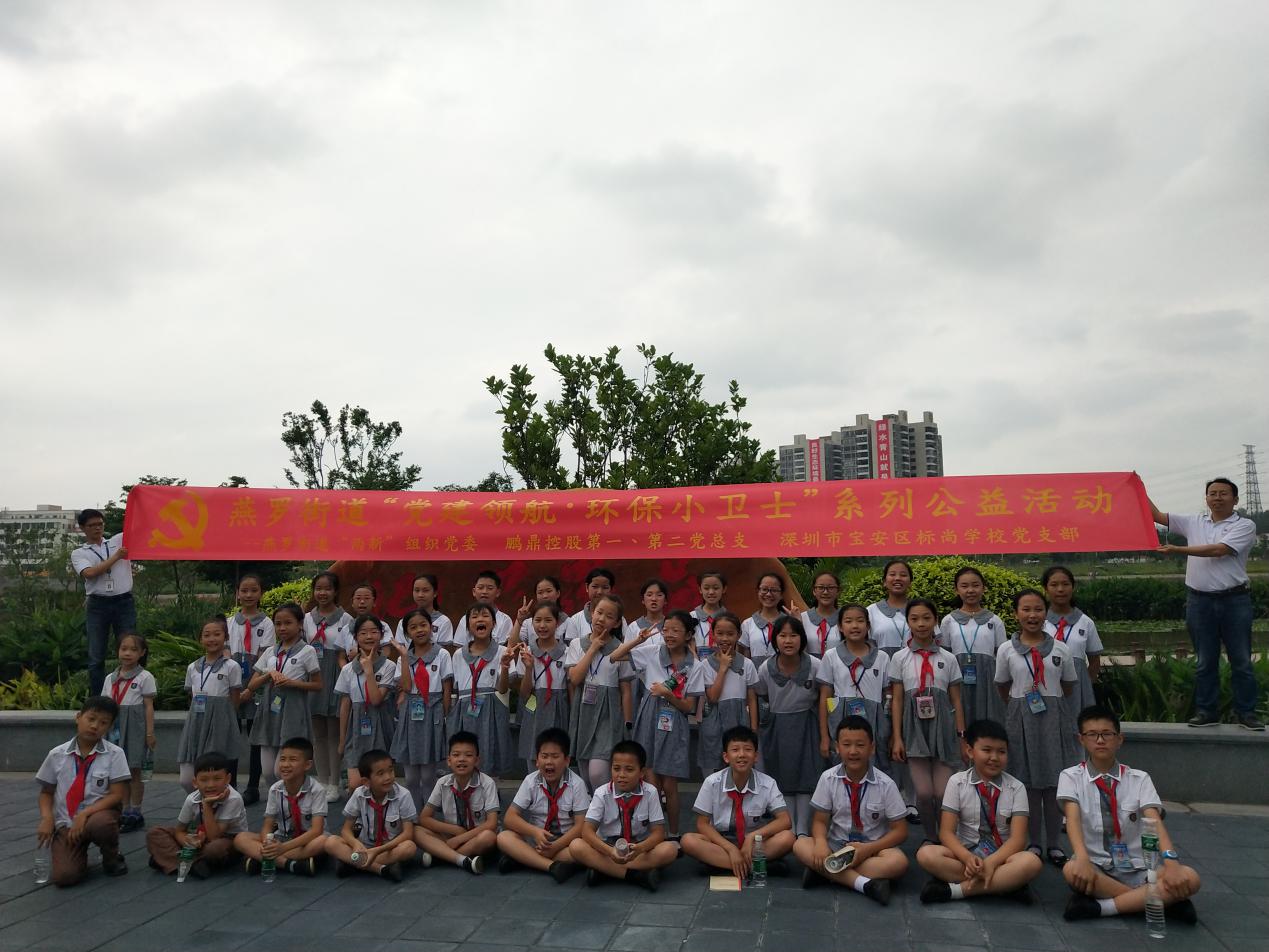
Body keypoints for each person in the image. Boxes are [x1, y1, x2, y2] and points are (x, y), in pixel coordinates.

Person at [1060, 705, 1201, 923]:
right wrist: (1083, 858)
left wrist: (1171, 863)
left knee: (1190, 878)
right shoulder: (1070, 776)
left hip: (1139, 867)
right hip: (1096, 865)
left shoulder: (1139, 778)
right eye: (1092, 734)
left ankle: (1103, 907)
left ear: (1120, 739)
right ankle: (1155, 900)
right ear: (1081, 740)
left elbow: (1153, 820)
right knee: (1071, 869)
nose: (1100, 740)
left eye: (1107, 734)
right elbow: (1072, 818)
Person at [1148, 478, 1263, 730]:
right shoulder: (1194, 521)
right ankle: (1206, 712)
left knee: (1241, 661)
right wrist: (1136, 487)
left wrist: (1177, 550)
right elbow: (1156, 515)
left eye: (1223, 493)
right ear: (1207, 498)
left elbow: (1219, 550)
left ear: (1235, 499)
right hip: (1199, 601)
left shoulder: (1245, 525)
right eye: (1213, 493)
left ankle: (1246, 713)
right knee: (1204, 661)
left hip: (1234, 601)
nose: (1217, 498)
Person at [995, 589, 1078, 866]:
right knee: (1027, 783)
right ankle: (1032, 842)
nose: (1032, 615)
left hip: (1054, 719)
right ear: (1016, 614)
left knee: (1054, 783)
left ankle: (1054, 844)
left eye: (1038, 609)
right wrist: (1021, 705)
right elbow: (1002, 686)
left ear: (1046, 613)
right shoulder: (1006, 650)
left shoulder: (1061, 649)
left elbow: (1068, 685)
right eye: (1026, 609)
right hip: (1020, 718)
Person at [917, 718, 1042, 903]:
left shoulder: (1017, 788)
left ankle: (957, 891)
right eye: (987, 750)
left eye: (1001, 752)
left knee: (1031, 862)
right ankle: (1004, 884)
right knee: (926, 854)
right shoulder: (957, 782)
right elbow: (946, 833)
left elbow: (1018, 840)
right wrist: (967, 857)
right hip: (966, 854)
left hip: (1002, 858)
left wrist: (991, 862)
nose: (994, 758)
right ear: (970, 751)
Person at [794, 715, 908, 903]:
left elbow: (901, 831)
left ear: (872, 748)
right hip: (836, 845)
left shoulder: (886, 784)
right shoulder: (828, 778)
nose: (853, 751)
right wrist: (821, 843)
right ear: (837, 747)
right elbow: (820, 821)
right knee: (800, 844)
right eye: (846, 745)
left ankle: (824, 872)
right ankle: (864, 884)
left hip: (872, 848)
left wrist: (868, 849)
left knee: (898, 862)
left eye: (860, 745)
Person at [610, 609, 697, 838]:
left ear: (688, 635)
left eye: (676, 630)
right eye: (666, 630)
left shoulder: (694, 665)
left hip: (674, 720)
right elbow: (615, 656)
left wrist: (668, 694)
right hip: (649, 715)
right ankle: (654, 834)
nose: (669, 634)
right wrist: (637, 640)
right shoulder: (652, 652)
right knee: (651, 781)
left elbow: (689, 707)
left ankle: (674, 834)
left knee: (670, 783)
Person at [890, 598, 966, 842]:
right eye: (914, 619)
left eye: (926, 618)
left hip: (943, 730)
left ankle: (947, 838)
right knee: (923, 793)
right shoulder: (900, 658)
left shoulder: (948, 658)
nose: (921, 624)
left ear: (935, 621)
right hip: (914, 730)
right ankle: (931, 837)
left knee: (943, 793)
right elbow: (897, 701)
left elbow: (957, 701)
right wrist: (897, 738)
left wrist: (961, 736)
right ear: (908, 622)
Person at [35, 696, 130, 885]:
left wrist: (84, 814)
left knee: (101, 824)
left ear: (110, 727)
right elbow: (46, 792)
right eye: (91, 719)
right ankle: (77, 855)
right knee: (65, 877)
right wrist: (47, 818)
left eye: (103, 723)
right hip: (67, 822)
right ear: (78, 717)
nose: (95, 726)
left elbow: (117, 795)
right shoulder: (57, 755)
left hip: (97, 815)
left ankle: (111, 856)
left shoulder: (114, 754)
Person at [681, 725, 795, 879]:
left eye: (748, 749)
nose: (742, 755)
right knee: (688, 841)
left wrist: (752, 837)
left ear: (756, 756)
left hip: (754, 844)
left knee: (788, 837)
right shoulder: (712, 782)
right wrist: (730, 848)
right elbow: (702, 824)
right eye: (735, 750)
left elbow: (785, 820)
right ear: (726, 757)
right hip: (721, 843)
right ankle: (755, 866)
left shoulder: (768, 783)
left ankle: (721, 865)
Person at [571, 740, 679, 891]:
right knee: (576, 846)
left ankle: (604, 870)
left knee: (670, 850)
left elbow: (659, 833)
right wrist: (610, 852)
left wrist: (641, 848)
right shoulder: (602, 793)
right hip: (607, 848)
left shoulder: (651, 792)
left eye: (629, 769)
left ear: (641, 772)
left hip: (638, 848)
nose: (621, 775)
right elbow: (587, 831)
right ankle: (635, 875)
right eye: (616, 769)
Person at [755, 615, 824, 837]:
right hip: (777, 726)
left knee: (806, 774)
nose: (788, 640)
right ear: (775, 639)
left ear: (802, 639)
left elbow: (823, 695)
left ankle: (802, 827)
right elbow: (762, 695)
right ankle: (789, 825)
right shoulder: (766, 668)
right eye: (782, 635)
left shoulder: (815, 665)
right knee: (782, 775)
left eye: (793, 635)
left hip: (807, 724)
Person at [497, 727, 590, 881]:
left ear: (566, 760)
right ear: (537, 760)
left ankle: (525, 859)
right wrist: (534, 832)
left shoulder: (577, 784)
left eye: (555, 756)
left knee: (580, 848)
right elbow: (510, 818)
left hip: (564, 843)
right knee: (503, 837)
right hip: (536, 841)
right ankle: (552, 866)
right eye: (544, 756)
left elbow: (581, 826)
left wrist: (555, 846)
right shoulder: (531, 781)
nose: (549, 762)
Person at [246, 603, 322, 785]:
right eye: (278, 623)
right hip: (269, 710)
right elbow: (251, 685)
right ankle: (277, 798)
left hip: (293, 710)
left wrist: (292, 683)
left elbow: (318, 684)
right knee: (268, 772)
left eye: (288, 623)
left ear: (299, 624)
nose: (282, 628)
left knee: (280, 770)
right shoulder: (270, 652)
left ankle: (294, 795)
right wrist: (269, 674)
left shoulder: (307, 651)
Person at [566, 593, 635, 791]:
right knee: (585, 773)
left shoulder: (620, 649)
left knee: (598, 772)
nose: (602, 619)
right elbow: (575, 679)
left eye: (609, 616)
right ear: (591, 613)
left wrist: (627, 723)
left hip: (609, 713)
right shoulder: (577, 644)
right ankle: (593, 808)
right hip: (583, 710)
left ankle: (607, 804)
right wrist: (593, 648)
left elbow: (626, 690)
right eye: (599, 612)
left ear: (616, 623)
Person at [234, 737, 329, 876]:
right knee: (240, 838)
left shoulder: (317, 790)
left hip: (306, 839)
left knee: (324, 841)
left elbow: (316, 830)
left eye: (293, 760)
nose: (285, 764)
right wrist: (268, 843)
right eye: (283, 759)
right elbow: (267, 825)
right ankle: (290, 864)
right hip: (282, 837)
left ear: (307, 765)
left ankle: (263, 859)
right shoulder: (275, 789)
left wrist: (282, 848)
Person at [146, 751, 246, 878]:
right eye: (204, 780)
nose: (211, 785)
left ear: (228, 779)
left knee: (215, 849)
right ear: (195, 782)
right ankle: (193, 864)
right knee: (155, 833)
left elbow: (214, 836)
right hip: (200, 839)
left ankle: (169, 860)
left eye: (217, 779)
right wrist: (188, 841)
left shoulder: (233, 799)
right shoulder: (192, 799)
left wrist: (207, 805)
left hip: (227, 840)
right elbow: (179, 831)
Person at [391, 608, 454, 807]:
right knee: (410, 777)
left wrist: (445, 716)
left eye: (423, 625)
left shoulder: (442, 654)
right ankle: (413, 813)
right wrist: (404, 657)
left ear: (431, 627)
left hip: (433, 710)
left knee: (428, 775)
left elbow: (447, 688)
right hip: (410, 711)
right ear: (407, 633)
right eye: (413, 627)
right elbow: (406, 687)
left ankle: (428, 812)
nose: (419, 630)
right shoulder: (403, 657)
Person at [325, 749, 419, 880]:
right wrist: (355, 844)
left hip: (388, 848)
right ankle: (381, 869)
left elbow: (408, 833)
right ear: (366, 781)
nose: (388, 777)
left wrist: (377, 851)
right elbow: (346, 830)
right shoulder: (359, 794)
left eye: (391, 770)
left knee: (409, 847)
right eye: (380, 773)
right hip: (364, 845)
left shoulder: (403, 795)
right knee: (330, 842)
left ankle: (353, 863)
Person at [415, 731, 499, 875]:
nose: (461, 759)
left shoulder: (487, 783)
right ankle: (461, 859)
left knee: (488, 837)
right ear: (449, 761)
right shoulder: (443, 783)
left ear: (477, 760)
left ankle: (442, 856)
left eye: (468, 755)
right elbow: (424, 818)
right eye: (456, 755)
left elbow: (492, 823)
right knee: (416, 831)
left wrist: (461, 838)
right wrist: (455, 831)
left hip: (476, 836)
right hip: (451, 836)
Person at [71, 508, 135, 696]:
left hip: (124, 602)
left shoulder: (118, 541)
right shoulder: (79, 553)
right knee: (96, 655)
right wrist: (116, 557)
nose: (97, 528)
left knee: (131, 648)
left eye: (100, 524)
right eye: (92, 525)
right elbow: (90, 573)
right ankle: (98, 700)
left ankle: (130, 694)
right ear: (83, 528)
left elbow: (141, 527)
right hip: (98, 605)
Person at [817, 604, 890, 768]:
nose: (855, 626)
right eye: (848, 621)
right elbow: (825, 697)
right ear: (840, 627)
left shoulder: (882, 657)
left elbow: (888, 696)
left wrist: (888, 729)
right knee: (843, 765)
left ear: (868, 626)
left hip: (874, 721)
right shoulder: (831, 656)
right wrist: (824, 737)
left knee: (874, 765)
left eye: (860, 621)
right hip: (840, 719)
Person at [688, 612, 759, 776]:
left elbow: (752, 699)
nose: (725, 638)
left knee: (739, 763)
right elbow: (712, 697)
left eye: (730, 634)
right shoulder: (705, 665)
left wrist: (754, 728)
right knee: (714, 763)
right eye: (720, 633)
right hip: (714, 720)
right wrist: (722, 668)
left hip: (739, 719)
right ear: (713, 635)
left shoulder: (747, 664)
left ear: (738, 635)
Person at [447, 604, 515, 778]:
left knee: (490, 754)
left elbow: (503, 688)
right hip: (465, 711)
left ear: (494, 623)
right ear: (468, 625)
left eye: (485, 616)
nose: (480, 620)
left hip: (492, 710)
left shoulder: (502, 652)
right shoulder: (458, 655)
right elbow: (456, 688)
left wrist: (504, 666)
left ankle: (491, 792)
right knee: (465, 756)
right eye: (474, 616)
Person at [177, 617, 243, 792]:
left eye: (217, 634)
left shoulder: (232, 666)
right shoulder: (192, 667)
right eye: (207, 635)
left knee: (213, 770)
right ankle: (199, 803)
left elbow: (234, 698)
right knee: (186, 779)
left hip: (219, 722)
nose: (212, 639)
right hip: (196, 721)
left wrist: (225, 720)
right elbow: (192, 696)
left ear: (225, 637)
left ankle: (216, 805)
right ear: (200, 639)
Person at [337, 615, 400, 791]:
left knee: (380, 782)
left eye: (374, 632)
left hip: (381, 724)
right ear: (355, 637)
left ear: (381, 635)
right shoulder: (348, 669)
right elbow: (345, 705)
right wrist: (342, 739)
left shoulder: (389, 666)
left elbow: (376, 700)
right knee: (355, 784)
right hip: (356, 726)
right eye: (363, 633)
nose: (369, 636)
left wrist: (369, 671)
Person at [937, 567, 1007, 726]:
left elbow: (1002, 656)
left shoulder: (994, 620)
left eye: (975, 585)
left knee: (988, 721)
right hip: (957, 677)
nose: (970, 590)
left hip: (988, 679)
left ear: (983, 588)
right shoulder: (948, 621)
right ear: (956, 590)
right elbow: (944, 655)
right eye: (964, 586)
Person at [101, 632, 156, 832]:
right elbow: (105, 705)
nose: (127, 653)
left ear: (142, 653)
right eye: (124, 649)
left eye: (133, 649)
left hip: (135, 726)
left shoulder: (144, 677)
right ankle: (123, 809)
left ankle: (136, 810)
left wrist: (149, 733)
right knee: (118, 771)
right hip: (114, 726)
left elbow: (148, 706)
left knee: (134, 769)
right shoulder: (110, 678)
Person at [305, 571, 352, 799]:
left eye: (327, 589)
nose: (322, 593)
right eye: (318, 588)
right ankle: (321, 780)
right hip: (313, 675)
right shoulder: (306, 618)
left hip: (335, 674)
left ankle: (335, 782)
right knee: (318, 734)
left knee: (334, 732)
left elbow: (347, 651)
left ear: (336, 591)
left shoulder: (346, 619)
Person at [226, 574, 273, 805]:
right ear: (237, 593)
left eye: (253, 590)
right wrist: (236, 688)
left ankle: (253, 786)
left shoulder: (267, 623)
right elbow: (225, 653)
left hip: (257, 684)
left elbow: (267, 658)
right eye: (244, 590)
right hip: (233, 685)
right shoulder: (229, 622)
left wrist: (251, 689)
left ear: (261, 593)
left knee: (256, 738)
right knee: (232, 737)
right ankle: (230, 785)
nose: (248, 595)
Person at [514, 601, 571, 771]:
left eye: (548, 620)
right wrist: (529, 667)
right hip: (535, 706)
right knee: (533, 753)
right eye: (537, 620)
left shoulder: (567, 652)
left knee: (558, 754)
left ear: (557, 623)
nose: (542, 625)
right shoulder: (527, 652)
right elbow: (524, 693)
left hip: (559, 706)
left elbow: (570, 687)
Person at [1042, 566, 1104, 722]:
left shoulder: (1085, 622)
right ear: (1045, 589)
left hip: (1078, 688)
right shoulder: (1039, 621)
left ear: (1073, 587)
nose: (1060, 589)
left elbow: (1094, 660)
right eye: (1054, 585)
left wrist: (1085, 685)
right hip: (1045, 685)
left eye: (1065, 584)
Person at [391, 573, 454, 654]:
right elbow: (401, 652)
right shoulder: (403, 622)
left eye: (425, 590)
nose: (420, 595)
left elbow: (445, 653)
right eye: (417, 590)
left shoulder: (444, 621)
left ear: (435, 593)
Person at [453, 569, 514, 648]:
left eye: (490, 588)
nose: (484, 592)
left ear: (498, 592)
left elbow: (506, 649)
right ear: (474, 592)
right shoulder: (465, 619)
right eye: (480, 588)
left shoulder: (505, 620)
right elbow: (459, 648)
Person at [742, 572, 792, 663]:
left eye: (774, 590)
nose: (768, 594)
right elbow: (745, 658)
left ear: (781, 594)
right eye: (764, 589)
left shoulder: (789, 622)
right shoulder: (747, 624)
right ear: (758, 592)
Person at [562, 568, 618, 643]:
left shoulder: (618, 619)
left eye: (605, 587)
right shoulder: (575, 620)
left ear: (611, 590)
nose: (599, 592)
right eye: (595, 586)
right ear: (586, 587)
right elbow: (571, 648)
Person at [868, 560, 913, 655]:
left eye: (903, 575)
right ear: (884, 582)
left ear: (910, 582)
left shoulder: (922, 610)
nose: (897, 578)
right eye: (892, 574)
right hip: (881, 664)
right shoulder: (871, 611)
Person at [800, 571, 843, 658]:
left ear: (838, 591)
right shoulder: (802, 618)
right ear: (814, 591)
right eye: (820, 587)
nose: (825, 592)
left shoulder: (845, 619)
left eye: (831, 588)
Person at [690, 570, 729, 655]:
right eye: (706, 588)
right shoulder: (691, 617)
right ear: (700, 589)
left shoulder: (729, 618)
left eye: (716, 588)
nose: (711, 592)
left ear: (724, 589)